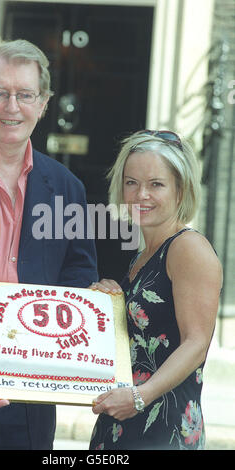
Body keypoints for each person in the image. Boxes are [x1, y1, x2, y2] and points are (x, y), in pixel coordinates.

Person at [0, 39, 98, 450]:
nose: (13, 106)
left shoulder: (67, 189)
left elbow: (78, 277)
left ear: (43, 103)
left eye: (25, 94)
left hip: (31, 401)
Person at [89, 130, 222, 450]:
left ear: (181, 189)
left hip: (162, 429)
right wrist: (113, 302)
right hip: (122, 421)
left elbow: (196, 344)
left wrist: (138, 397)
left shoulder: (188, 248)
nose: (140, 194)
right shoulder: (143, 254)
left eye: (156, 184)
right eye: (131, 182)